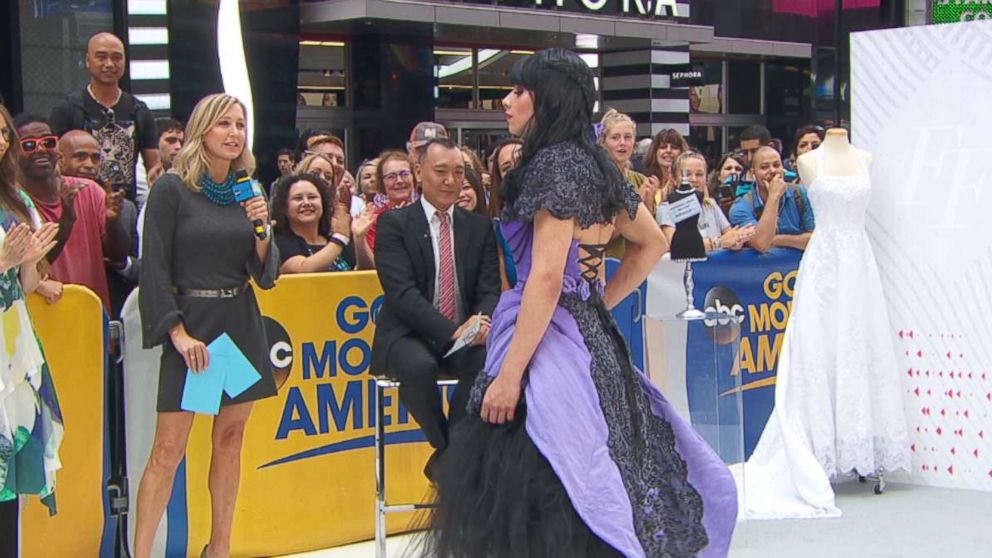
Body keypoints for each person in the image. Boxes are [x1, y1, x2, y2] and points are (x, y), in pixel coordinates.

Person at [424, 48, 737, 558]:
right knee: (602, 465)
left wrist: (508, 377)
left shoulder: (553, 165)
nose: (507, 101)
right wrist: (594, 302)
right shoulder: (592, 162)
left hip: (546, 341)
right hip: (587, 335)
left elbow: (546, 278)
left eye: (518, 91)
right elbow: (652, 242)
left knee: (546, 475)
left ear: (545, 100)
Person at [733, 127, 910, 519]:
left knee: (861, 344)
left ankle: (863, 446)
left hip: (858, 262)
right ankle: (820, 446)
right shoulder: (810, 164)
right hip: (825, 264)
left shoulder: (865, 157)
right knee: (819, 345)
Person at [134, 93, 279, 558]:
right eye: (224, 124)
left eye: (240, 124)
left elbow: (266, 273)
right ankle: (140, 551)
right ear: (202, 129)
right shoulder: (172, 189)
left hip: (239, 324)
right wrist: (176, 333)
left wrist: (263, 229)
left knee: (230, 440)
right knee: (169, 450)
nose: (234, 133)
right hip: (193, 330)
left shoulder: (247, 190)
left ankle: (219, 548)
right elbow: (153, 267)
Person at [371, 137, 500, 480]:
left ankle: (448, 460)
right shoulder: (394, 224)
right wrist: (450, 331)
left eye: (458, 172)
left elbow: (489, 288)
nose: (450, 181)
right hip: (408, 334)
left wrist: (481, 320)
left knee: (490, 362)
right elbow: (401, 294)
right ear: (419, 173)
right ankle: (448, 452)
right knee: (418, 367)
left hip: (465, 334)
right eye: (441, 171)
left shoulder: (479, 226)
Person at [0, 103, 64, 558]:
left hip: (12, 342)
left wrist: (26, 265)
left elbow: (22, 287)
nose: (1, 140)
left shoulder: (14, 199)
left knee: (12, 476)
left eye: (4, 132)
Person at [15, 115, 128, 311]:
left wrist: (113, 221)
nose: (40, 149)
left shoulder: (88, 190)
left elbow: (119, 256)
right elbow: (34, 268)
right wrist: (66, 221)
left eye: (47, 142)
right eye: (29, 145)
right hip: (41, 316)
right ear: (13, 152)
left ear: (57, 149)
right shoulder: (13, 202)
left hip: (91, 316)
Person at [49, 32, 159, 204]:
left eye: (116, 57)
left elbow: (154, 167)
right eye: (101, 57)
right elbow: (53, 162)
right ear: (87, 60)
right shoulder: (68, 108)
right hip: (78, 203)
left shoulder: (139, 111)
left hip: (125, 205)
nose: (109, 64)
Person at [57, 129, 137, 316]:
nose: (89, 165)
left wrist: (112, 221)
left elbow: (130, 260)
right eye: (80, 157)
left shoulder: (122, 206)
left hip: (105, 308)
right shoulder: (40, 199)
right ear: (59, 159)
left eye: (95, 158)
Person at [270, 173, 364, 273]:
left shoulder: (333, 238)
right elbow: (302, 269)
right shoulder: (279, 241)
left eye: (312, 197)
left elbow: (365, 271)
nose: (306, 203)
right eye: (298, 198)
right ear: (284, 207)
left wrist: (360, 239)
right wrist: (339, 239)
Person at [657, 151, 749, 252]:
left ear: (706, 179)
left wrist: (738, 240)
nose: (694, 179)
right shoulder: (665, 209)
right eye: (687, 175)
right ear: (674, 179)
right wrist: (719, 242)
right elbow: (677, 245)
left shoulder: (711, 204)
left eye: (699, 174)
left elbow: (731, 236)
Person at [729, 146, 815, 252]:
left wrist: (776, 240)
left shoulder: (802, 194)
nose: (772, 171)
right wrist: (773, 197)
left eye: (776, 165)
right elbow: (761, 243)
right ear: (753, 173)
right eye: (764, 167)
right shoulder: (741, 207)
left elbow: (815, 240)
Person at [598, 109, 647, 258]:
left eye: (628, 137)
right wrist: (634, 206)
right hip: (604, 262)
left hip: (633, 262)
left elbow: (648, 234)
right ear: (603, 142)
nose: (622, 143)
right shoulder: (596, 180)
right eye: (615, 137)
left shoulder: (640, 180)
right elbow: (600, 238)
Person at [360, 150, 417, 264]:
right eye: (391, 177)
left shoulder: (428, 212)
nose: (399, 181)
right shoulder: (374, 220)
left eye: (405, 174)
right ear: (382, 184)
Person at [642, 128, 688, 216]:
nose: (668, 150)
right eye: (663, 147)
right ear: (655, 152)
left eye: (674, 147)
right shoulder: (646, 182)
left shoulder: (687, 182)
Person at [707, 150, 746, 217]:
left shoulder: (749, 197)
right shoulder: (709, 199)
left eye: (738, 169)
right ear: (718, 175)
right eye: (728, 168)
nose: (733, 172)